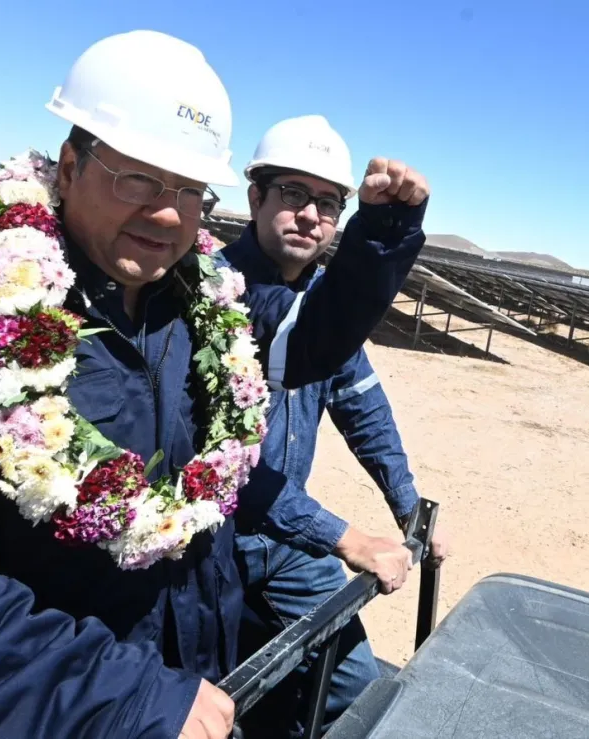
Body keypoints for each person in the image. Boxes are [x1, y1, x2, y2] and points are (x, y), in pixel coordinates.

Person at [0, 31, 430, 739]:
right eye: (137, 179)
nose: (166, 212)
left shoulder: (198, 309)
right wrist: (121, 698)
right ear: (69, 163)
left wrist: (380, 237)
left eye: (187, 189)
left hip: (184, 692)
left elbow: (314, 341)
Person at [218, 115, 450, 737]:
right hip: (209, 551)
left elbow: (363, 407)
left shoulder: (324, 304)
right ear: (255, 198)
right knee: (219, 697)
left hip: (288, 544)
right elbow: (218, 468)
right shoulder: (210, 298)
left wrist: (409, 508)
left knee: (349, 693)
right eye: (292, 194)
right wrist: (344, 537)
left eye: (328, 202)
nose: (310, 215)